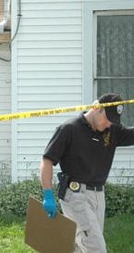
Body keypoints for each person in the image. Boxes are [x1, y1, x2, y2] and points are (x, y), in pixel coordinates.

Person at [40, 93, 134, 253]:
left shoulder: (111, 130)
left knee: (80, 248)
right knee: (96, 248)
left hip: (98, 196)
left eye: (113, 121)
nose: (109, 124)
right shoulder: (69, 129)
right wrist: (47, 194)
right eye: (107, 119)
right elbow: (47, 161)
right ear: (97, 108)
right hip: (76, 196)